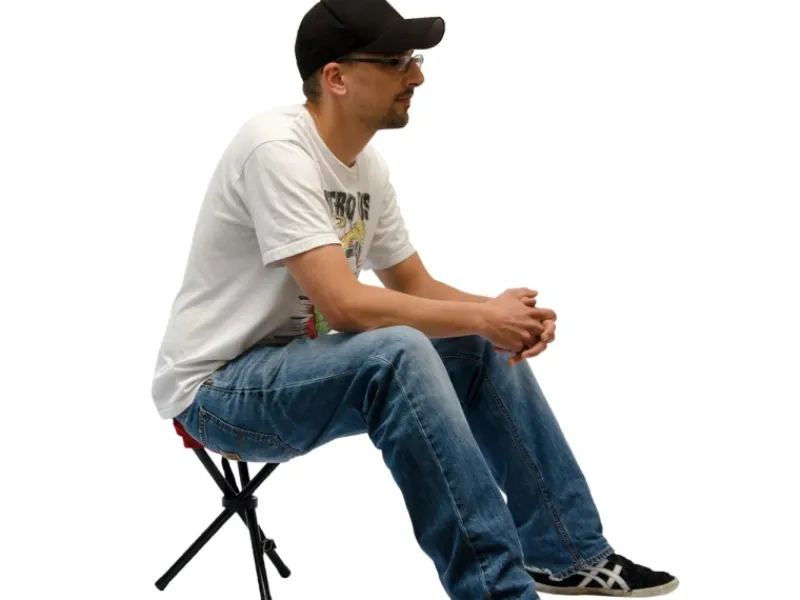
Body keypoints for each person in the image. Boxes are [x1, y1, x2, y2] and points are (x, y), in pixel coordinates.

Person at [151, 0, 679, 597]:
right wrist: (482, 315)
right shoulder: (274, 149)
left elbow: (414, 286)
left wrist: (502, 317)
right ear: (336, 77)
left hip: (295, 372)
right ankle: (495, 590)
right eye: (397, 62)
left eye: (415, 60)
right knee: (397, 352)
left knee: (471, 343)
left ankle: (567, 552)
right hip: (217, 392)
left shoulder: (365, 166)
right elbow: (345, 305)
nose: (418, 76)